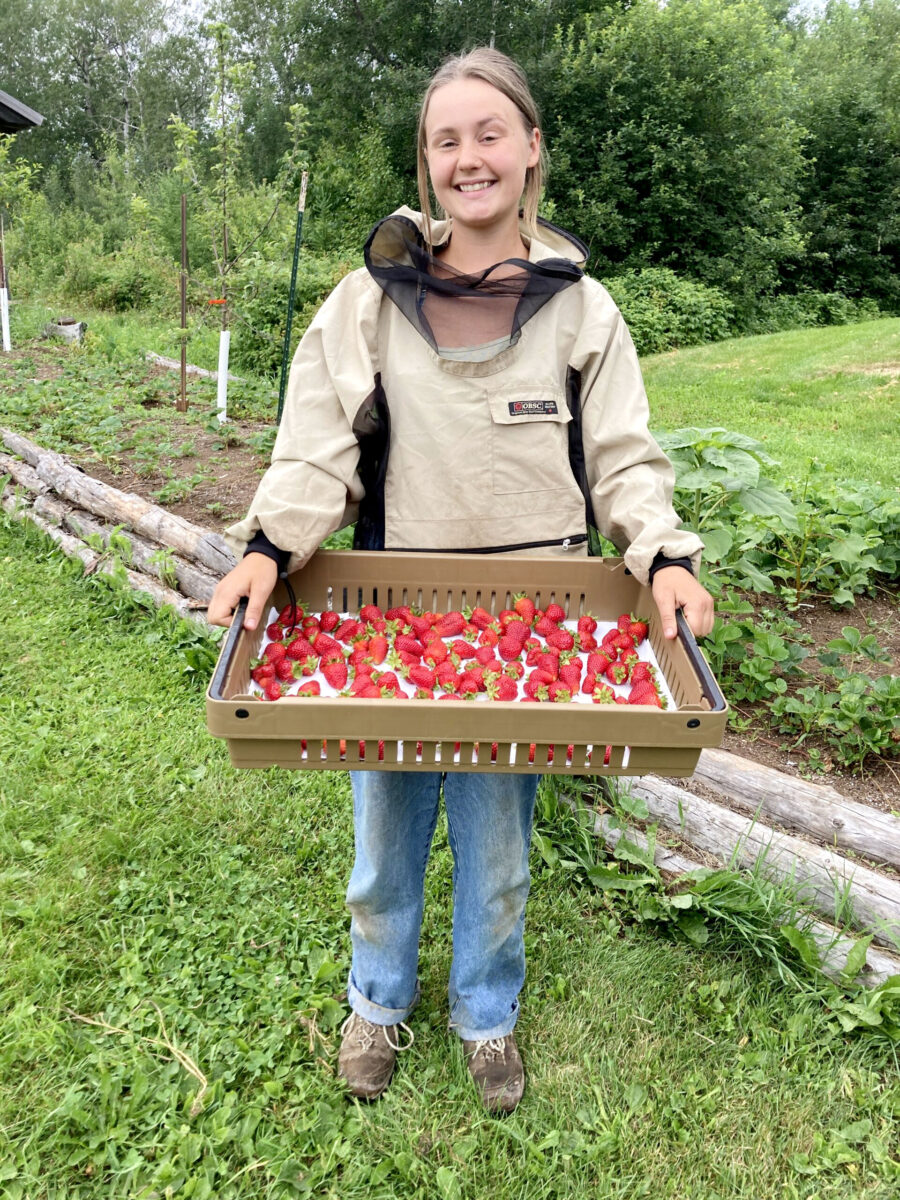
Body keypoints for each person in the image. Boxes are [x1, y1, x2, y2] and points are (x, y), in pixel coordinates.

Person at [208, 47, 714, 1115]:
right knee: (383, 842)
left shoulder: (583, 312)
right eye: (448, 140)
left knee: (497, 849)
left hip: (537, 636)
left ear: (532, 149)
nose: (469, 157)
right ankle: (377, 1003)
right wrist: (267, 544)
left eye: (491, 133)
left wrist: (662, 555)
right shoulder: (369, 300)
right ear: (427, 162)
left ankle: (487, 1015)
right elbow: (314, 448)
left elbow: (623, 459)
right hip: (390, 624)